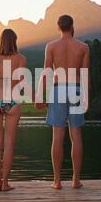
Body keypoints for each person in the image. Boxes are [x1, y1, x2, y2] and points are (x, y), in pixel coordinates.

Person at [36, 15, 89, 189]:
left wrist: (39, 95)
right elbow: (85, 75)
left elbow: (46, 73)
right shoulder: (83, 47)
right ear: (72, 26)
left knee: (57, 137)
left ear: (58, 27)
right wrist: (86, 97)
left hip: (58, 90)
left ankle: (57, 181)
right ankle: (76, 180)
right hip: (75, 89)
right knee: (76, 137)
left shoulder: (51, 46)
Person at [0, 29, 26, 192]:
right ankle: (5, 183)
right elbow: (20, 83)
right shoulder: (21, 59)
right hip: (12, 101)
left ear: (0, 40)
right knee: (9, 142)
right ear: (14, 41)